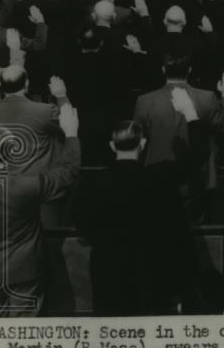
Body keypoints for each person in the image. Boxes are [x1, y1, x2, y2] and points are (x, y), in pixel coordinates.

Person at [77, 89, 208, 315]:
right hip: (152, 273)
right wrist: (189, 113)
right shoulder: (160, 175)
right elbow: (199, 155)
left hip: (109, 272)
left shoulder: (94, 184)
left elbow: (83, 227)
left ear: (112, 146)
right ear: (143, 144)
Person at [0, 103, 81, 316]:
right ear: (12, 154)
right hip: (25, 271)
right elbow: (68, 174)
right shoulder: (27, 186)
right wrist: (72, 134)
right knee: (24, 335)